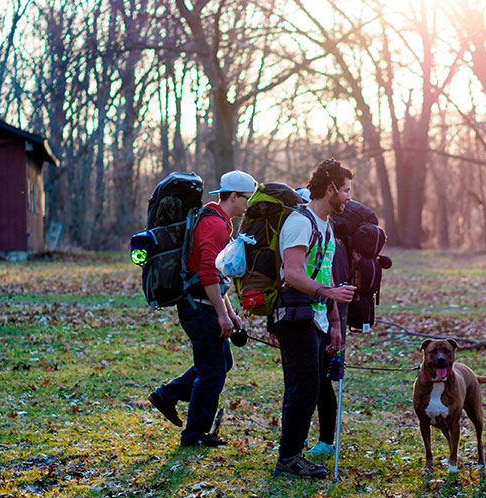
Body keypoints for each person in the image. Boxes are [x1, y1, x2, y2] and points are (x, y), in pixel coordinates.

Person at [148, 170, 256, 447]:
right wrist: (221, 314)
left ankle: (167, 395)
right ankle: (194, 434)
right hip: (199, 307)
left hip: (204, 304)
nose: (248, 205)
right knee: (212, 372)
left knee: (221, 364)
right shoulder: (215, 225)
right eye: (247, 199)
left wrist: (231, 314)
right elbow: (207, 273)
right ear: (234, 196)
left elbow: (219, 278)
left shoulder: (216, 221)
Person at [271, 159, 356, 478]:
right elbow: (292, 273)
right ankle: (289, 458)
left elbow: (323, 273)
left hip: (317, 318)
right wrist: (330, 294)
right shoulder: (300, 222)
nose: (348, 197)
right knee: (302, 388)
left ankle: (291, 454)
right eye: (345, 190)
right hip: (294, 315)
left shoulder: (327, 226)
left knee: (309, 386)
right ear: (330, 189)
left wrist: (334, 322)